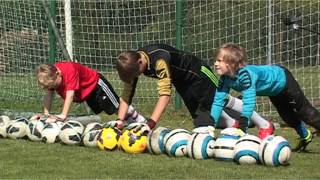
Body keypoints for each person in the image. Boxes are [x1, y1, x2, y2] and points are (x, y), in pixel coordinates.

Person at [113, 43, 273, 139]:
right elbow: (126, 95)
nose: (136, 76)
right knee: (202, 123)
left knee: (222, 100)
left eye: (137, 73)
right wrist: (119, 121)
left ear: (140, 62)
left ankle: (263, 124)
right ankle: (233, 125)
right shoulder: (133, 64)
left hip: (198, 73)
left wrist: (150, 124)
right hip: (183, 83)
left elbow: (164, 95)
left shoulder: (159, 59)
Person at [211, 42, 320, 152]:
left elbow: (248, 101)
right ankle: (306, 136)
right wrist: (210, 126)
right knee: (287, 116)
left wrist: (243, 125)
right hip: (274, 92)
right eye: (216, 60)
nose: (215, 63)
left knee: (306, 112)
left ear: (232, 63)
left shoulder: (246, 75)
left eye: (219, 61)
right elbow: (218, 101)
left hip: (283, 80)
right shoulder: (224, 78)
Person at [35, 62, 145, 123]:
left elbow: (70, 96)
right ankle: (133, 121)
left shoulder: (69, 70)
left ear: (58, 74)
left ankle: (140, 120)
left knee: (116, 107)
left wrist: (63, 115)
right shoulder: (51, 77)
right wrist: (46, 114)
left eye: (53, 85)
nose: (53, 88)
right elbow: (49, 95)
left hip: (97, 85)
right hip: (87, 94)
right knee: (109, 110)